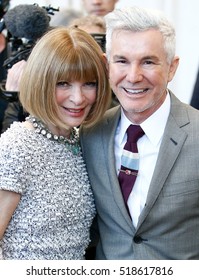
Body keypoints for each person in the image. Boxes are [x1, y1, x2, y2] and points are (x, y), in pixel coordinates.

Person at [80, 6, 199, 259]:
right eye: (122, 61)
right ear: (106, 65)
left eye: (148, 62)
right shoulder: (89, 133)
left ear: (171, 68)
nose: (133, 77)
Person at [0, 26, 111, 260]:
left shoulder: (82, 142)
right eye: (63, 83)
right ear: (40, 82)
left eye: (89, 83)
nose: (78, 98)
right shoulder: (17, 146)